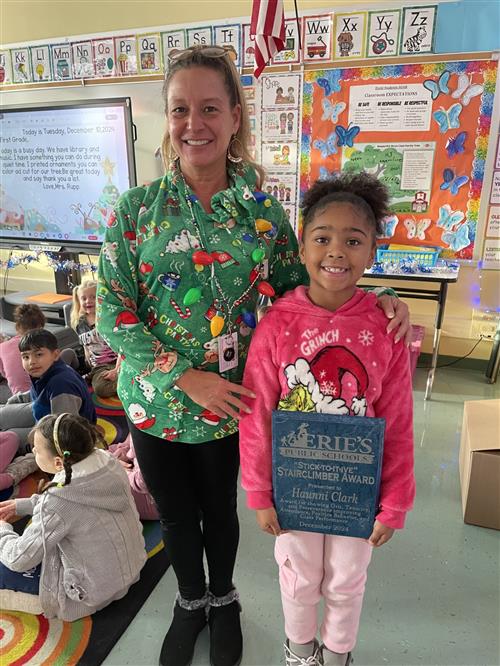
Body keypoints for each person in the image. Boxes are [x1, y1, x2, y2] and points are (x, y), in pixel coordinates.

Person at [96, 46, 410, 666]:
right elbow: (112, 311)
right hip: (157, 404)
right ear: (168, 117)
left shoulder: (263, 212)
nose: (195, 123)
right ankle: (190, 602)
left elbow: (313, 287)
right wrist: (185, 376)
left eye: (210, 107)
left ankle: (226, 598)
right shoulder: (136, 212)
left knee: (225, 512)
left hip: (238, 404)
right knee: (178, 517)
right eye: (181, 109)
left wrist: (382, 298)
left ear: (236, 115)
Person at [239, 172, 415, 666]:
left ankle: (337, 654)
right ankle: (299, 650)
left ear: (372, 253)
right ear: (301, 247)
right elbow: (257, 414)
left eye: (353, 240)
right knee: (298, 573)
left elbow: (398, 421)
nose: (336, 251)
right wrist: (259, 491)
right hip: (294, 488)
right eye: (322, 238)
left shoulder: (386, 327)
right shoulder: (277, 325)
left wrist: (395, 501)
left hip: (357, 492)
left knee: (347, 576)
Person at [0, 412, 146, 620]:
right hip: (132, 568)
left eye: (37, 450)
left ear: (59, 463)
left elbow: (18, 559)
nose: (33, 450)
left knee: (5, 561)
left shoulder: (57, 500)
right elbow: (76, 501)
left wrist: (3, 529)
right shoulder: (108, 461)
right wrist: (22, 505)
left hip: (89, 594)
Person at [0, 329, 96, 451]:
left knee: (8, 435)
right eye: (26, 357)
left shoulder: (61, 385)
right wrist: (19, 398)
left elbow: (65, 431)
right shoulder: (45, 372)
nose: (31, 362)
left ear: (55, 355)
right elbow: (38, 393)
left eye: (39, 354)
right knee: (2, 415)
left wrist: (35, 438)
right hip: (43, 413)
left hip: (61, 431)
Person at [71, 279, 120, 398]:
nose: (88, 301)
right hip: (97, 367)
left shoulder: (108, 319)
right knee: (74, 383)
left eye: (93, 297)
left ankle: (127, 381)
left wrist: (117, 370)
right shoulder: (80, 323)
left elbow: (122, 348)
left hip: (116, 363)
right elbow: (86, 347)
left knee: (100, 389)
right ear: (78, 301)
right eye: (84, 298)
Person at [0, 303, 46, 401]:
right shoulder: (41, 344)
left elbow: (4, 374)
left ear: (17, 326)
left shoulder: (3, 347)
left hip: (17, 398)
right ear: (40, 327)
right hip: (41, 396)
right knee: (68, 354)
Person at [109, 434, 159, 520]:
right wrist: (124, 449)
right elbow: (130, 440)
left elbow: (142, 483)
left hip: (158, 503)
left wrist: (120, 469)